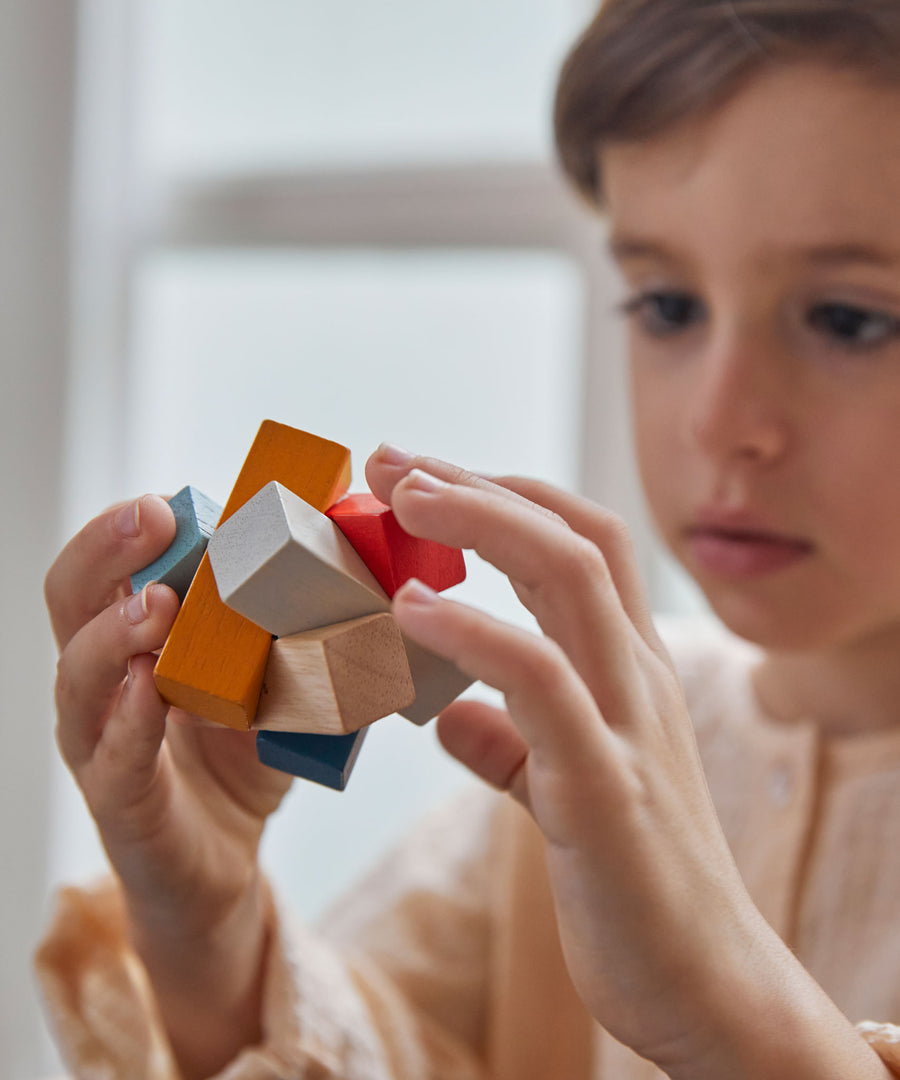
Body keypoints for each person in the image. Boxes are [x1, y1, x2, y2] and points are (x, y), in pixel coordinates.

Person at [37, 1, 900, 1077]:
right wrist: (207, 932)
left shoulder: (589, 750)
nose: (720, 422)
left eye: (853, 320)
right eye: (669, 305)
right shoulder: (576, 754)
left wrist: (730, 1009)